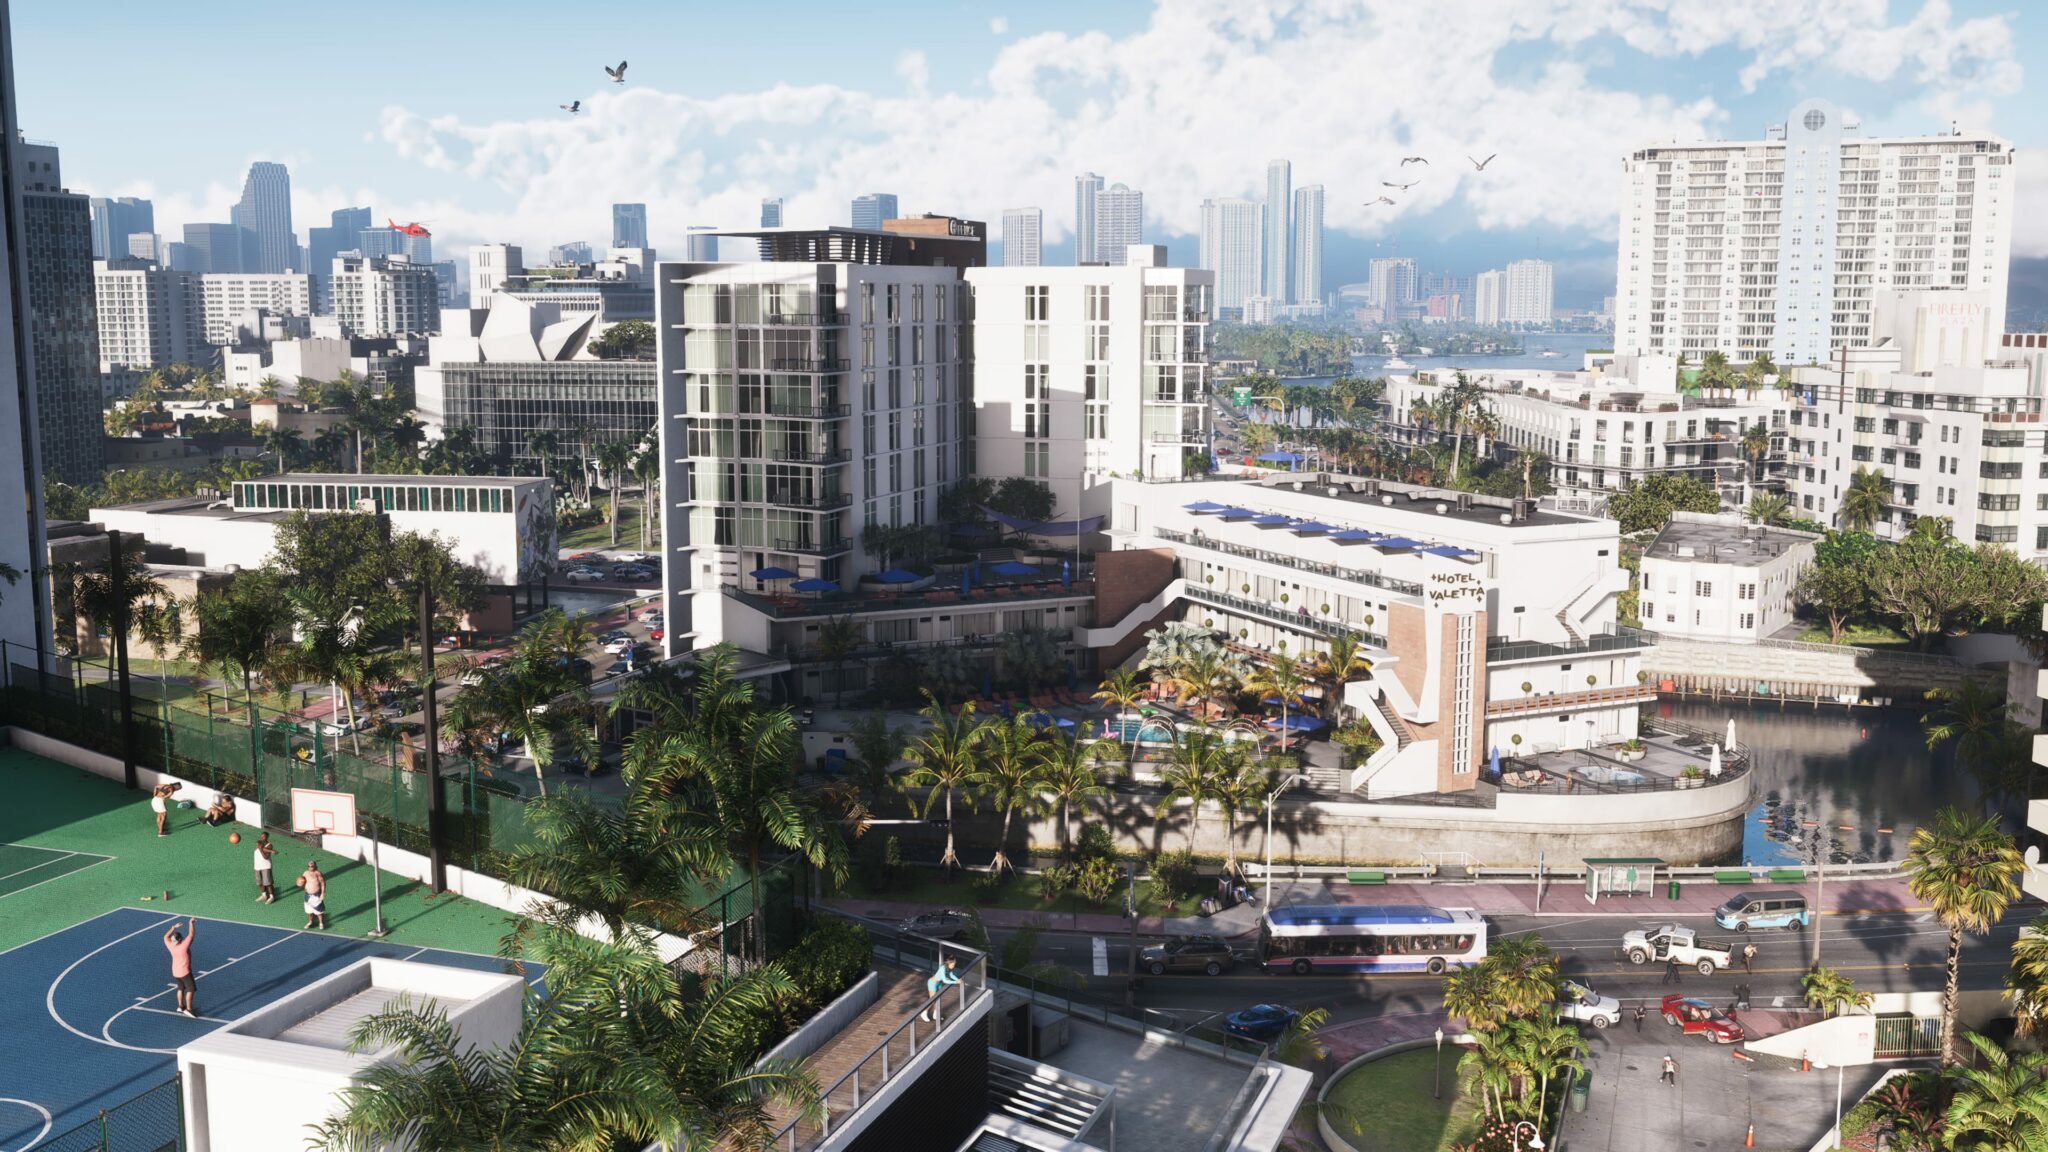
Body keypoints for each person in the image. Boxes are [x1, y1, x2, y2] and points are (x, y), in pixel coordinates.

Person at [163, 918, 198, 1017]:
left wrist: (173, 927)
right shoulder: (183, 946)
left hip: (175, 972)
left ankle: (180, 1006)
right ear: (180, 939)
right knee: (191, 989)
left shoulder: (170, 945)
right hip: (185, 972)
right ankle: (189, 1009)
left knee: (180, 988)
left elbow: (165, 936)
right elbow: (191, 934)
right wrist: (190, 923)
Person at [918, 955, 961, 1023]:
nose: (953, 966)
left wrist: (958, 980)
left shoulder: (949, 968)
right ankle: (924, 1013)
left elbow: (951, 975)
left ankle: (936, 1014)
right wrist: (955, 982)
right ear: (949, 963)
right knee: (933, 1000)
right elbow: (945, 980)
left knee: (938, 999)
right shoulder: (942, 968)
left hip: (939, 984)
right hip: (932, 983)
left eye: (954, 965)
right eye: (953, 965)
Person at [299, 860, 327, 930]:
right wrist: (300, 884)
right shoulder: (305, 873)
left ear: (315, 866)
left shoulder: (318, 873)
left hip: (316, 895)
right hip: (307, 896)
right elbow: (302, 881)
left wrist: (323, 893)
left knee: (319, 912)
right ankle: (310, 921)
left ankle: (321, 923)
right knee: (309, 911)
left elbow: (323, 883)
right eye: (309, 866)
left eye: (312, 866)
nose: (310, 867)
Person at [252, 833, 277, 903]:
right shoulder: (259, 843)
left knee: (268, 883)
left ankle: (272, 897)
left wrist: (261, 850)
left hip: (265, 867)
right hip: (257, 867)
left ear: (267, 837)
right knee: (260, 883)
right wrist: (271, 851)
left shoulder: (269, 845)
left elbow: (266, 857)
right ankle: (264, 895)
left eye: (264, 836)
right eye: (261, 836)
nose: (262, 837)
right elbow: (262, 848)